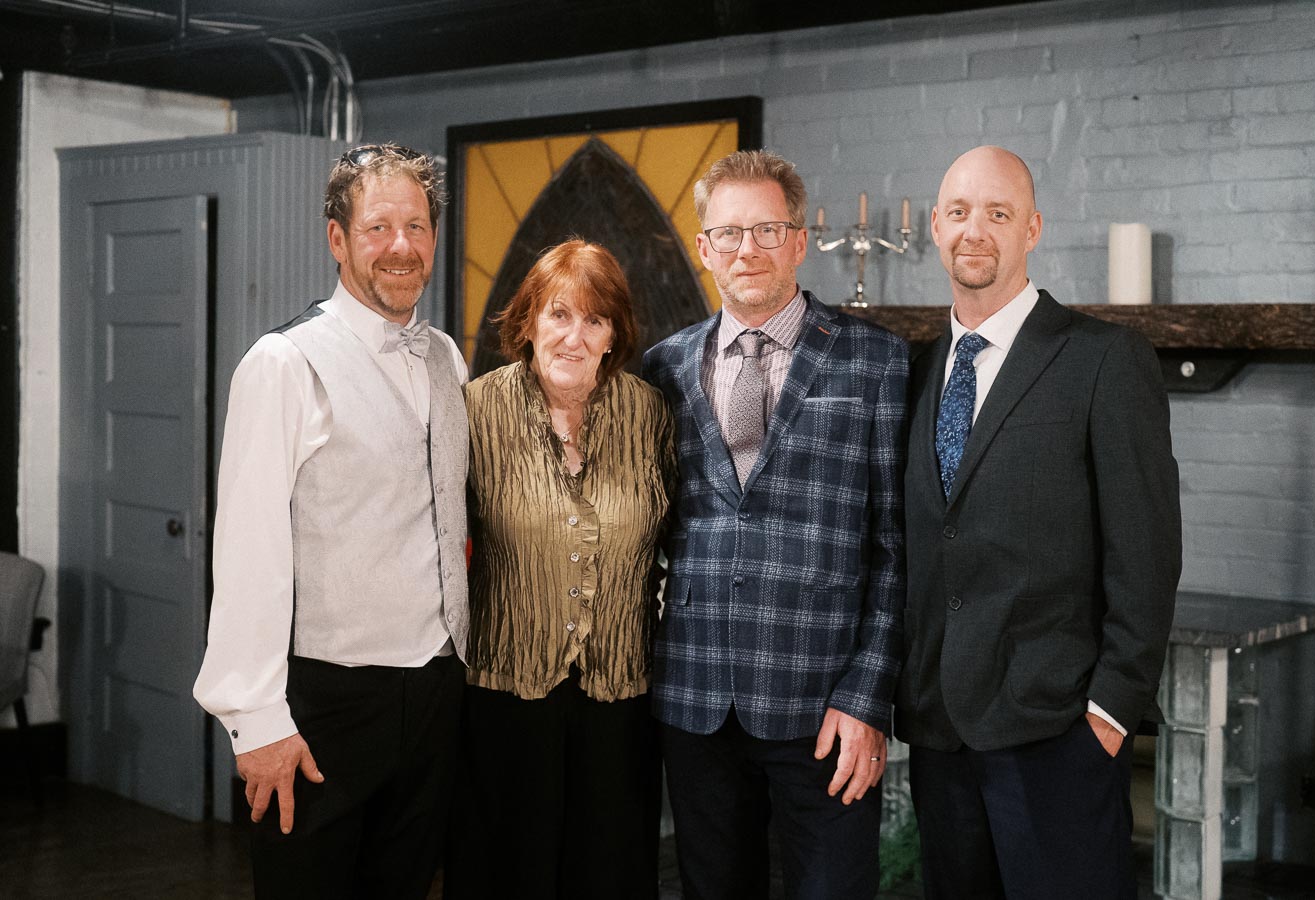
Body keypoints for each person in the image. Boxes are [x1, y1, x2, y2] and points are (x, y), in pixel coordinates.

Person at [896, 145, 1182, 899]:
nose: (975, 230)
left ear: (1033, 228)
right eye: (958, 212)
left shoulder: (1102, 360)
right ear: (934, 226)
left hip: (1059, 737)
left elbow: (1147, 553)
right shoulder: (917, 371)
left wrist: (1111, 712)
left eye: (998, 213)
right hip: (940, 737)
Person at [192, 143, 469, 900]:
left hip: (437, 696)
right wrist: (257, 720)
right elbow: (247, 553)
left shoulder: (446, 358)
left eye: (416, 225)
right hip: (322, 710)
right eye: (378, 227)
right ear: (337, 239)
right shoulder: (283, 364)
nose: (402, 246)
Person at [642, 149, 909, 899]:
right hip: (695, 699)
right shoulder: (660, 369)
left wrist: (867, 698)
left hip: (823, 705)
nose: (747, 249)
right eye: (727, 234)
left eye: (767, 229)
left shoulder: (874, 362)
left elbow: (895, 549)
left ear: (799, 241)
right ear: (704, 249)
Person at [450, 239, 675, 899]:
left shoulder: (650, 414)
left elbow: (685, 537)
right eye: (557, 315)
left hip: (620, 709)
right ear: (527, 323)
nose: (574, 336)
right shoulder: (475, 411)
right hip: (505, 704)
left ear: (615, 335)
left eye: (594, 320)